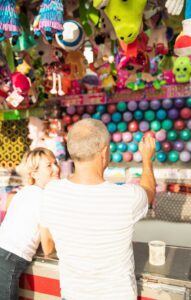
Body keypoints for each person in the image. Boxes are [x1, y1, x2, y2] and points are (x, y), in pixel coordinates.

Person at [40, 119, 156, 300]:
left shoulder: (51, 192)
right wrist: (147, 160)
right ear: (104, 152)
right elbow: (148, 192)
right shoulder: (126, 197)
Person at [0, 147, 60, 300]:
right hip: (10, 259)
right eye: (49, 165)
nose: (56, 168)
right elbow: (47, 246)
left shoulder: (24, 192)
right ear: (34, 173)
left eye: (56, 163)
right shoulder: (43, 197)